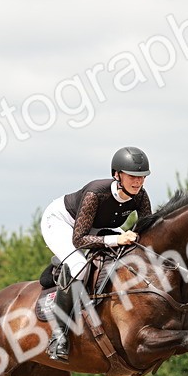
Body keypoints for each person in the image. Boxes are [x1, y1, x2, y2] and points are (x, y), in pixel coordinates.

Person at [39, 146, 152, 361]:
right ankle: (58, 336)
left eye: (142, 177)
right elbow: (79, 239)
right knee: (77, 267)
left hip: (97, 227)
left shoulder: (140, 196)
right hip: (63, 223)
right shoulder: (95, 193)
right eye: (132, 177)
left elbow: (146, 230)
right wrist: (117, 239)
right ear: (117, 175)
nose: (137, 182)